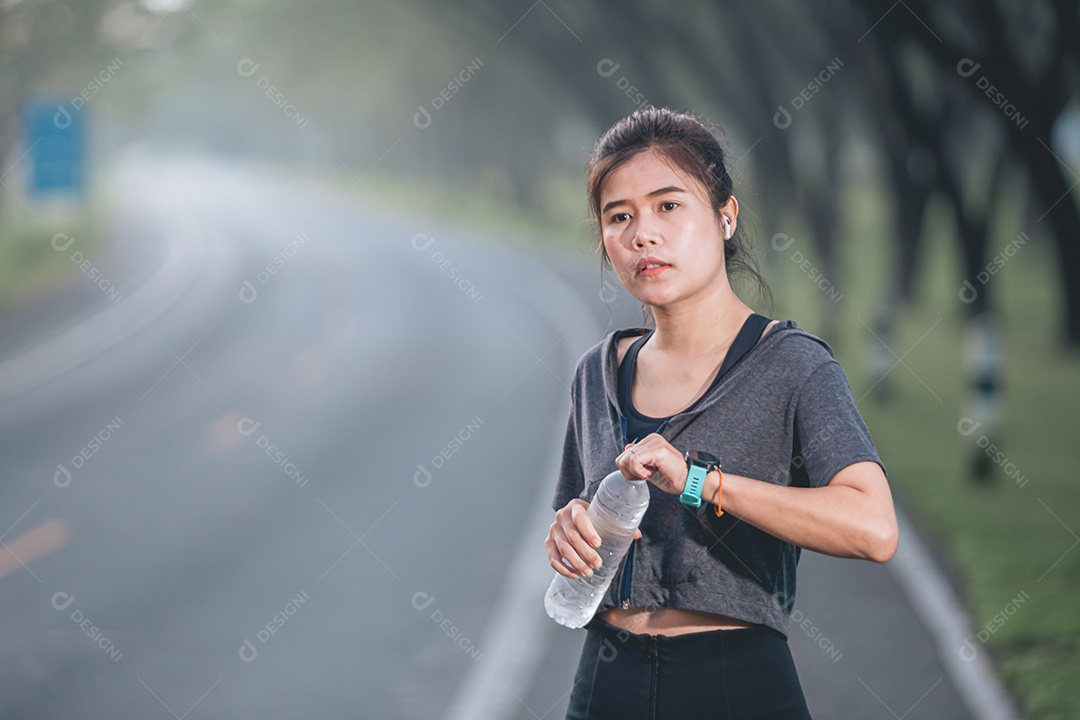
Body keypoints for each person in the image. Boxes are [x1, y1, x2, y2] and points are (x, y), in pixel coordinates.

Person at [545, 106, 899, 719]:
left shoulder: (793, 366)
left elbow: (872, 528)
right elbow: (579, 518)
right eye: (618, 216)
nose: (642, 235)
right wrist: (567, 532)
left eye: (668, 206)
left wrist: (700, 483)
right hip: (604, 683)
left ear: (725, 215)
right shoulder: (595, 373)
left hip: (737, 686)